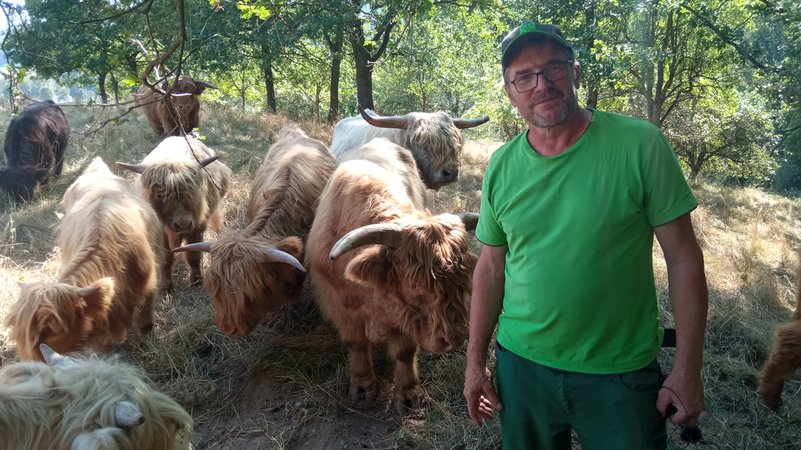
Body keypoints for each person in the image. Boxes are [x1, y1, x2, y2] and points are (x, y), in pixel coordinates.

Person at [463, 22, 708, 449]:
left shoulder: (639, 145)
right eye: (523, 76)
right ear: (509, 91)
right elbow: (490, 267)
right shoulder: (501, 166)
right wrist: (474, 363)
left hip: (619, 372)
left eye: (553, 68)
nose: (541, 84)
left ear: (575, 73)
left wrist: (687, 367)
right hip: (522, 371)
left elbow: (684, 258)